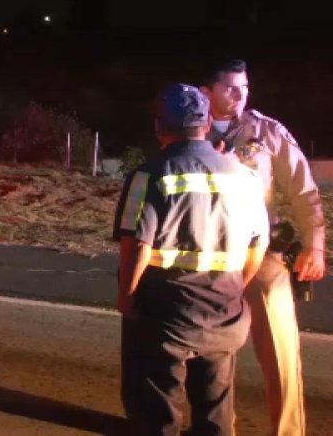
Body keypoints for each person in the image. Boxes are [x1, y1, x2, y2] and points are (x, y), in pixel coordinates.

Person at [114, 83, 269, 434]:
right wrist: (235, 288)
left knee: (158, 416)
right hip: (225, 314)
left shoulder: (148, 174)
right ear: (208, 120)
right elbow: (258, 246)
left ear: (159, 126)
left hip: (166, 319)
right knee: (215, 415)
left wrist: (126, 296)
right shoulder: (246, 178)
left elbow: (137, 245)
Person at [200, 59, 325, 435]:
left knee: (282, 352)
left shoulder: (266, 132)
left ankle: (288, 431)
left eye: (245, 87)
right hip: (205, 258)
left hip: (260, 252)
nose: (240, 95)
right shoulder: (188, 130)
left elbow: (303, 191)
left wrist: (315, 245)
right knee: (211, 356)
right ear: (207, 92)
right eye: (230, 88)